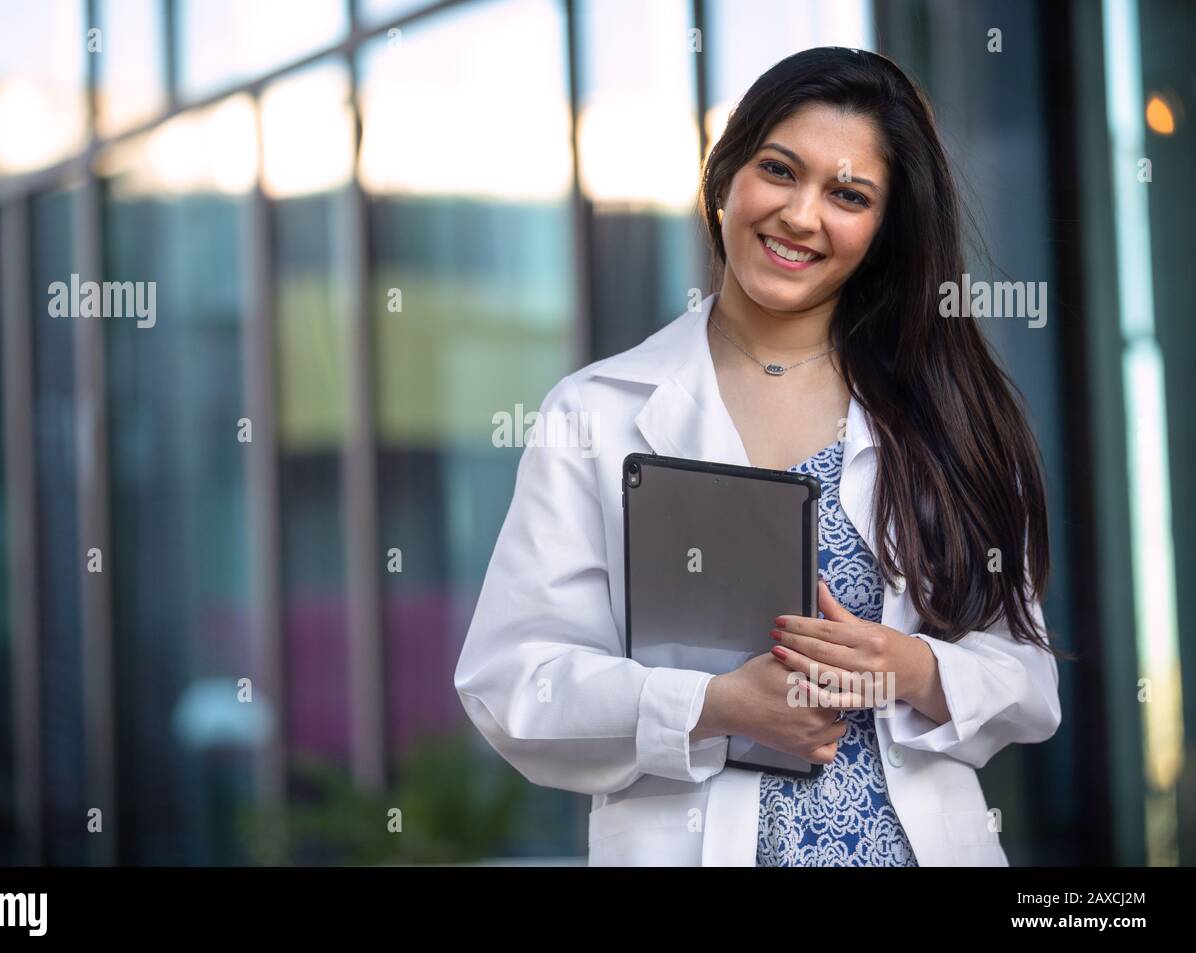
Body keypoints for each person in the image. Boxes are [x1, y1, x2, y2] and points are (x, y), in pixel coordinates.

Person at [453, 47, 1064, 866]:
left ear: (884, 231)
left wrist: (917, 670)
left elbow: (1028, 682)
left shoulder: (952, 415)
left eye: (848, 195)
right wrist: (710, 705)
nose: (801, 215)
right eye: (780, 170)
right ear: (727, 176)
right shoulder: (597, 412)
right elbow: (511, 684)